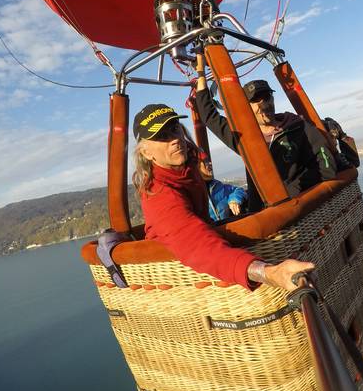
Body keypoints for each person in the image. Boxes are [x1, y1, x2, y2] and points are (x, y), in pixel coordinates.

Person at [132, 103, 313, 291]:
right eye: (162, 137)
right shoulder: (159, 193)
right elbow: (195, 244)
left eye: (175, 129)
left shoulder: (186, 169)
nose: (175, 140)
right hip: (183, 267)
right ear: (146, 152)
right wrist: (268, 273)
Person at [195, 56, 337, 211]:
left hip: (303, 205)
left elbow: (324, 161)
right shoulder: (244, 138)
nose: (264, 104)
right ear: (247, 107)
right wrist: (201, 73)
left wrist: (292, 192)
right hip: (267, 212)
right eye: (256, 100)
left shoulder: (296, 125)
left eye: (267, 97)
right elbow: (209, 116)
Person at [198, 152, 247, 221]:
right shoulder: (194, 193)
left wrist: (233, 200)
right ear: (196, 167)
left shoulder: (218, 186)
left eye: (209, 160)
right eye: (206, 161)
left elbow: (238, 190)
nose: (210, 163)